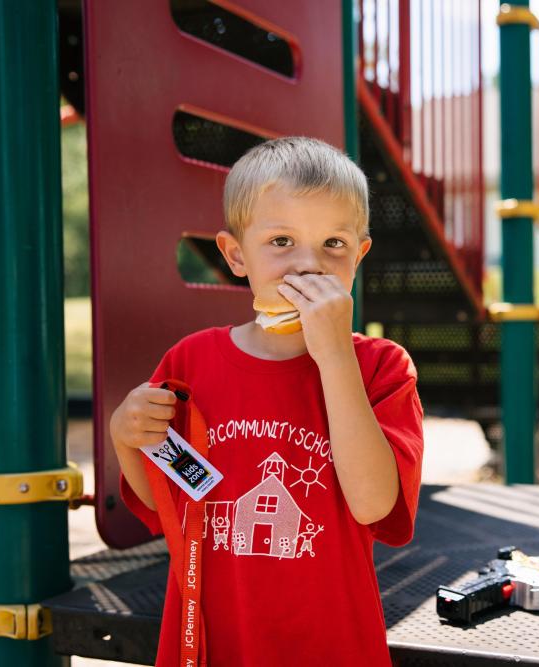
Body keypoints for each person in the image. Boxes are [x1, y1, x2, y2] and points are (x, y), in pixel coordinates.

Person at [109, 136, 424, 666]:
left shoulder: (381, 368)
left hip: (331, 643)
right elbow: (178, 503)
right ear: (236, 254)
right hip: (211, 638)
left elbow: (374, 506)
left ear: (359, 255)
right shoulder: (191, 364)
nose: (308, 265)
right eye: (281, 241)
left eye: (334, 244)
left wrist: (334, 358)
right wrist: (126, 437)